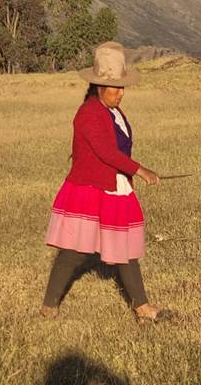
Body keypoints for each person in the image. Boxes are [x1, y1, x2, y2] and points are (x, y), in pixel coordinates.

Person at [41, 41, 172, 323]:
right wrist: (141, 170)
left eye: (123, 87)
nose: (120, 93)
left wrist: (129, 173)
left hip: (114, 186)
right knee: (75, 251)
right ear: (99, 86)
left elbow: (117, 150)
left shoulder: (114, 111)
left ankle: (142, 308)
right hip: (90, 188)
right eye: (115, 88)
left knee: (123, 248)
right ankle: (49, 306)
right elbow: (105, 151)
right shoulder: (88, 113)